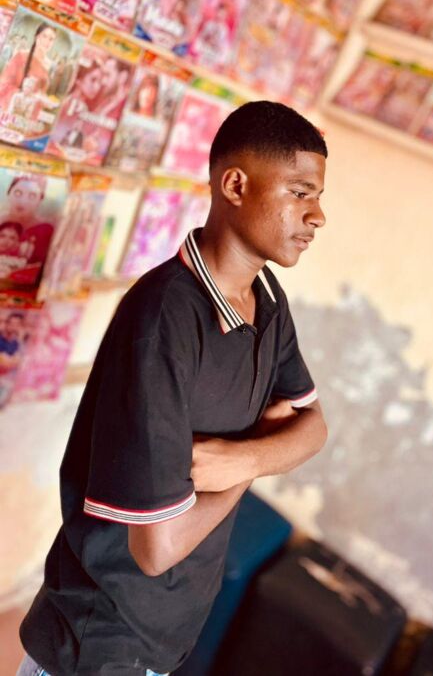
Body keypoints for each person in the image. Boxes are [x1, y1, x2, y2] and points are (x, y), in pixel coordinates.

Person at [18, 101, 328, 675]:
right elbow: (156, 549)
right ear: (235, 185)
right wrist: (257, 461)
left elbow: (314, 428)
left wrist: (242, 457)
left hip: (168, 629)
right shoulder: (163, 320)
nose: (318, 216)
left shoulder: (267, 299)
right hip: (100, 639)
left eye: (318, 197)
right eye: (300, 192)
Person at [0, 21, 56, 107]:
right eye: (44, 36)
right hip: (13, 105)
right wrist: (25, 95)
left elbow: (41, 92)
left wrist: (45, 100)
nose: (47, 41)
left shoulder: (49, 64)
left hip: (32, 109)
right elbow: (4, 84)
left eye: (51, 39)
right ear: (36, 37)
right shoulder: (21, 56)